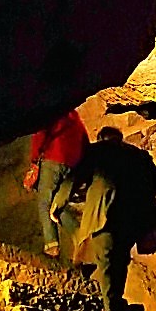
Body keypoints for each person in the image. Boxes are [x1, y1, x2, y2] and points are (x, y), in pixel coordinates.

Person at [50, 126, 156, 311]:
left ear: (101, 138)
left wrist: (57, 204)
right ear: (119, 138)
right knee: (119, 263)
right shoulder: (138, 155)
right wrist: (138, 197)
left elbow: (74, 177)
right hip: (133, 219)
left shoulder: (97, 151)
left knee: (106, 266)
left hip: (106, 217)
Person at [30, 110, 88, 257]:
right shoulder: (74, 116)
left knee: (44, 200)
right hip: (72, 163)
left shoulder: (52, 111)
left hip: (53, 158)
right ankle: (79, 234)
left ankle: (51, 245)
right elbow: (84, 139)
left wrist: (34, 158)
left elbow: (40, 133)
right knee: (56, 202)